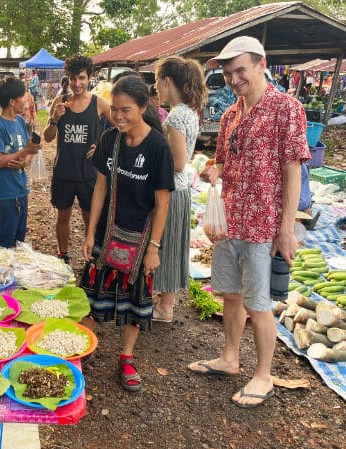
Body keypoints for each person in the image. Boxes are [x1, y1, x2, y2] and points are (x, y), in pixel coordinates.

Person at [190, 36, 310, 407]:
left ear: (261, 64)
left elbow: (293, 172)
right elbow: (224, 162)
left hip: (262, 225)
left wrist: (286, 229)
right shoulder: (230, 115)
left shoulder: (285, 108)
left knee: (258, 304)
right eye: (227, 73)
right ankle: (229, 358)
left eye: (240, 70)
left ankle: (263, 376)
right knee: (230, 295)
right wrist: (213, 170)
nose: (233, 78)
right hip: (230, 222)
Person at [80, 75, 175, 392]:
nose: (119, 116)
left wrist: (154, 248)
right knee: (93, 294)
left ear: (143, 107)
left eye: (127, 110)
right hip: (108, 231)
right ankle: (84, 346)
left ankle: (126, 356)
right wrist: (90, 232)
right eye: (115, 110)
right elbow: (101, 187)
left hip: (141, 236)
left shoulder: (158, 147)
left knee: (135, 299)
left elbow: (162, 203)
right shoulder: (110, 139)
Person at [44, 54, 115, 264]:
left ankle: (90, 257)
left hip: (88, 174)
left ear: (90, 77)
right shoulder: (60, 102)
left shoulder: (99, 104)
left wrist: (104, 148)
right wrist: (55, 120)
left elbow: (121, 127)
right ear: (68, 78)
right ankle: (63, 254)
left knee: (89, 219)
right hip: (64, 171)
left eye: (82, 78)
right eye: (74, 78)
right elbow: (47, 137)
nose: (78, 83)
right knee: (63, 216)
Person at [152, 56, 207, 323]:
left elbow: (178, 162)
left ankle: (165, 308)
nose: (156, 89)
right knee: (173, 245)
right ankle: (166, 303)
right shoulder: (189, 111)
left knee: (167, 245)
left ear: (167, 81)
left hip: (173, 188)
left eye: (157, 83)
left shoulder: (175, 116)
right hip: (182, 188)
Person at [0, 77, 41, 248]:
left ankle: (14, 273)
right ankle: (1, 272)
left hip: (21, 188)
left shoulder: (19, 121)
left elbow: (29, 149)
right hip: (6, 193)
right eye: (22, 96)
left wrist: (25, 160)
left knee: (19, 239)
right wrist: (25, 151)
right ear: (12, 101)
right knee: (6, 240)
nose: (26, 100)